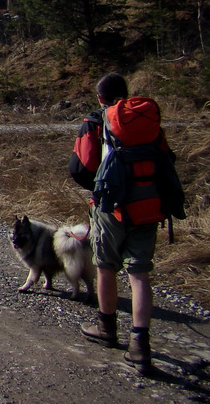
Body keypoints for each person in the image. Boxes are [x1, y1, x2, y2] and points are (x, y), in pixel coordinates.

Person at [68, 72, 171, 374]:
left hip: (111, 206)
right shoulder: (148, 120)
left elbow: (81, 166)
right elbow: (166, 159)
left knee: (106, 266)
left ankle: (107, 327)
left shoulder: (97, 119)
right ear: (126, 94)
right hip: (149, 203)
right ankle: (140, 344)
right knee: (139, 272)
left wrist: (99, 186)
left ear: (100, 97)